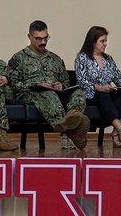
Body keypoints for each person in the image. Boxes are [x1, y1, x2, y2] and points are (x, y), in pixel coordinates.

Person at [8, 20, 90, 149]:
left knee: (78, 93)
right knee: (48, 94)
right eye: (38, 39)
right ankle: (69, 131)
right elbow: (13, 83)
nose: (43, 42)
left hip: (56, 93)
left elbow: (65, 80)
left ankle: (73, 117)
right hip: (29, 94)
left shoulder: (55, 59)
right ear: (29, 37)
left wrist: (60, 85)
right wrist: (37, 84)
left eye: (46, 38)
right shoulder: (18, 58)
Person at [74, 26, 121, 148]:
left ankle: (115, 132)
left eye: (105, 41)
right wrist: (99, 87)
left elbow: (118, 79)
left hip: (107, 92)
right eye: (102, 41)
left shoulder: (108, 59)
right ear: (93, 42)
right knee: (102, 95)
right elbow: (81, 81)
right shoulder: (82, 58)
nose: (105, 44)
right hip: (90, 94)